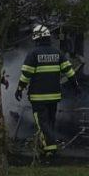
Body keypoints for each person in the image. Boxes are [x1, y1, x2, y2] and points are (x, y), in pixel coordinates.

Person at [15, 24, 79, 153]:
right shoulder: (58, 53)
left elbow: (26, 74)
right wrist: (76, 86)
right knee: (50, 122)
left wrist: (19, 89)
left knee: (42, 123)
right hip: (54, 96)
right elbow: (69, 72)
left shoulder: (33, 54)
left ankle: (50, 149)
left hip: (38, 97)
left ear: (37, 39)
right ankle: (47, 146)